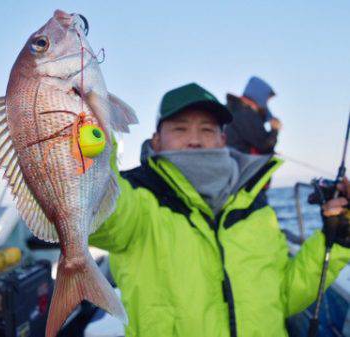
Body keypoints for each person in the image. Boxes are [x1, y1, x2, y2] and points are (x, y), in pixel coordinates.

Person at [89, 83, 350, 336]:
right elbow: (97, 211)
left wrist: (335, 240)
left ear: (223, 140)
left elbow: (283, 297)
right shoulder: (134, 198)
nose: (194, 140)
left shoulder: (255, 207)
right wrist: (87, 143)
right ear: (155, 141)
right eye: (180, 129)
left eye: (206, 130)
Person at [225, 76, 282, 155]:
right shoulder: (246, 114)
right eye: (266, 100)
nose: (266, 105)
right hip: (241, 164)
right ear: (260, 96)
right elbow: (265, 146)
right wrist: (275, 129)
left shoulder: (231, 108)